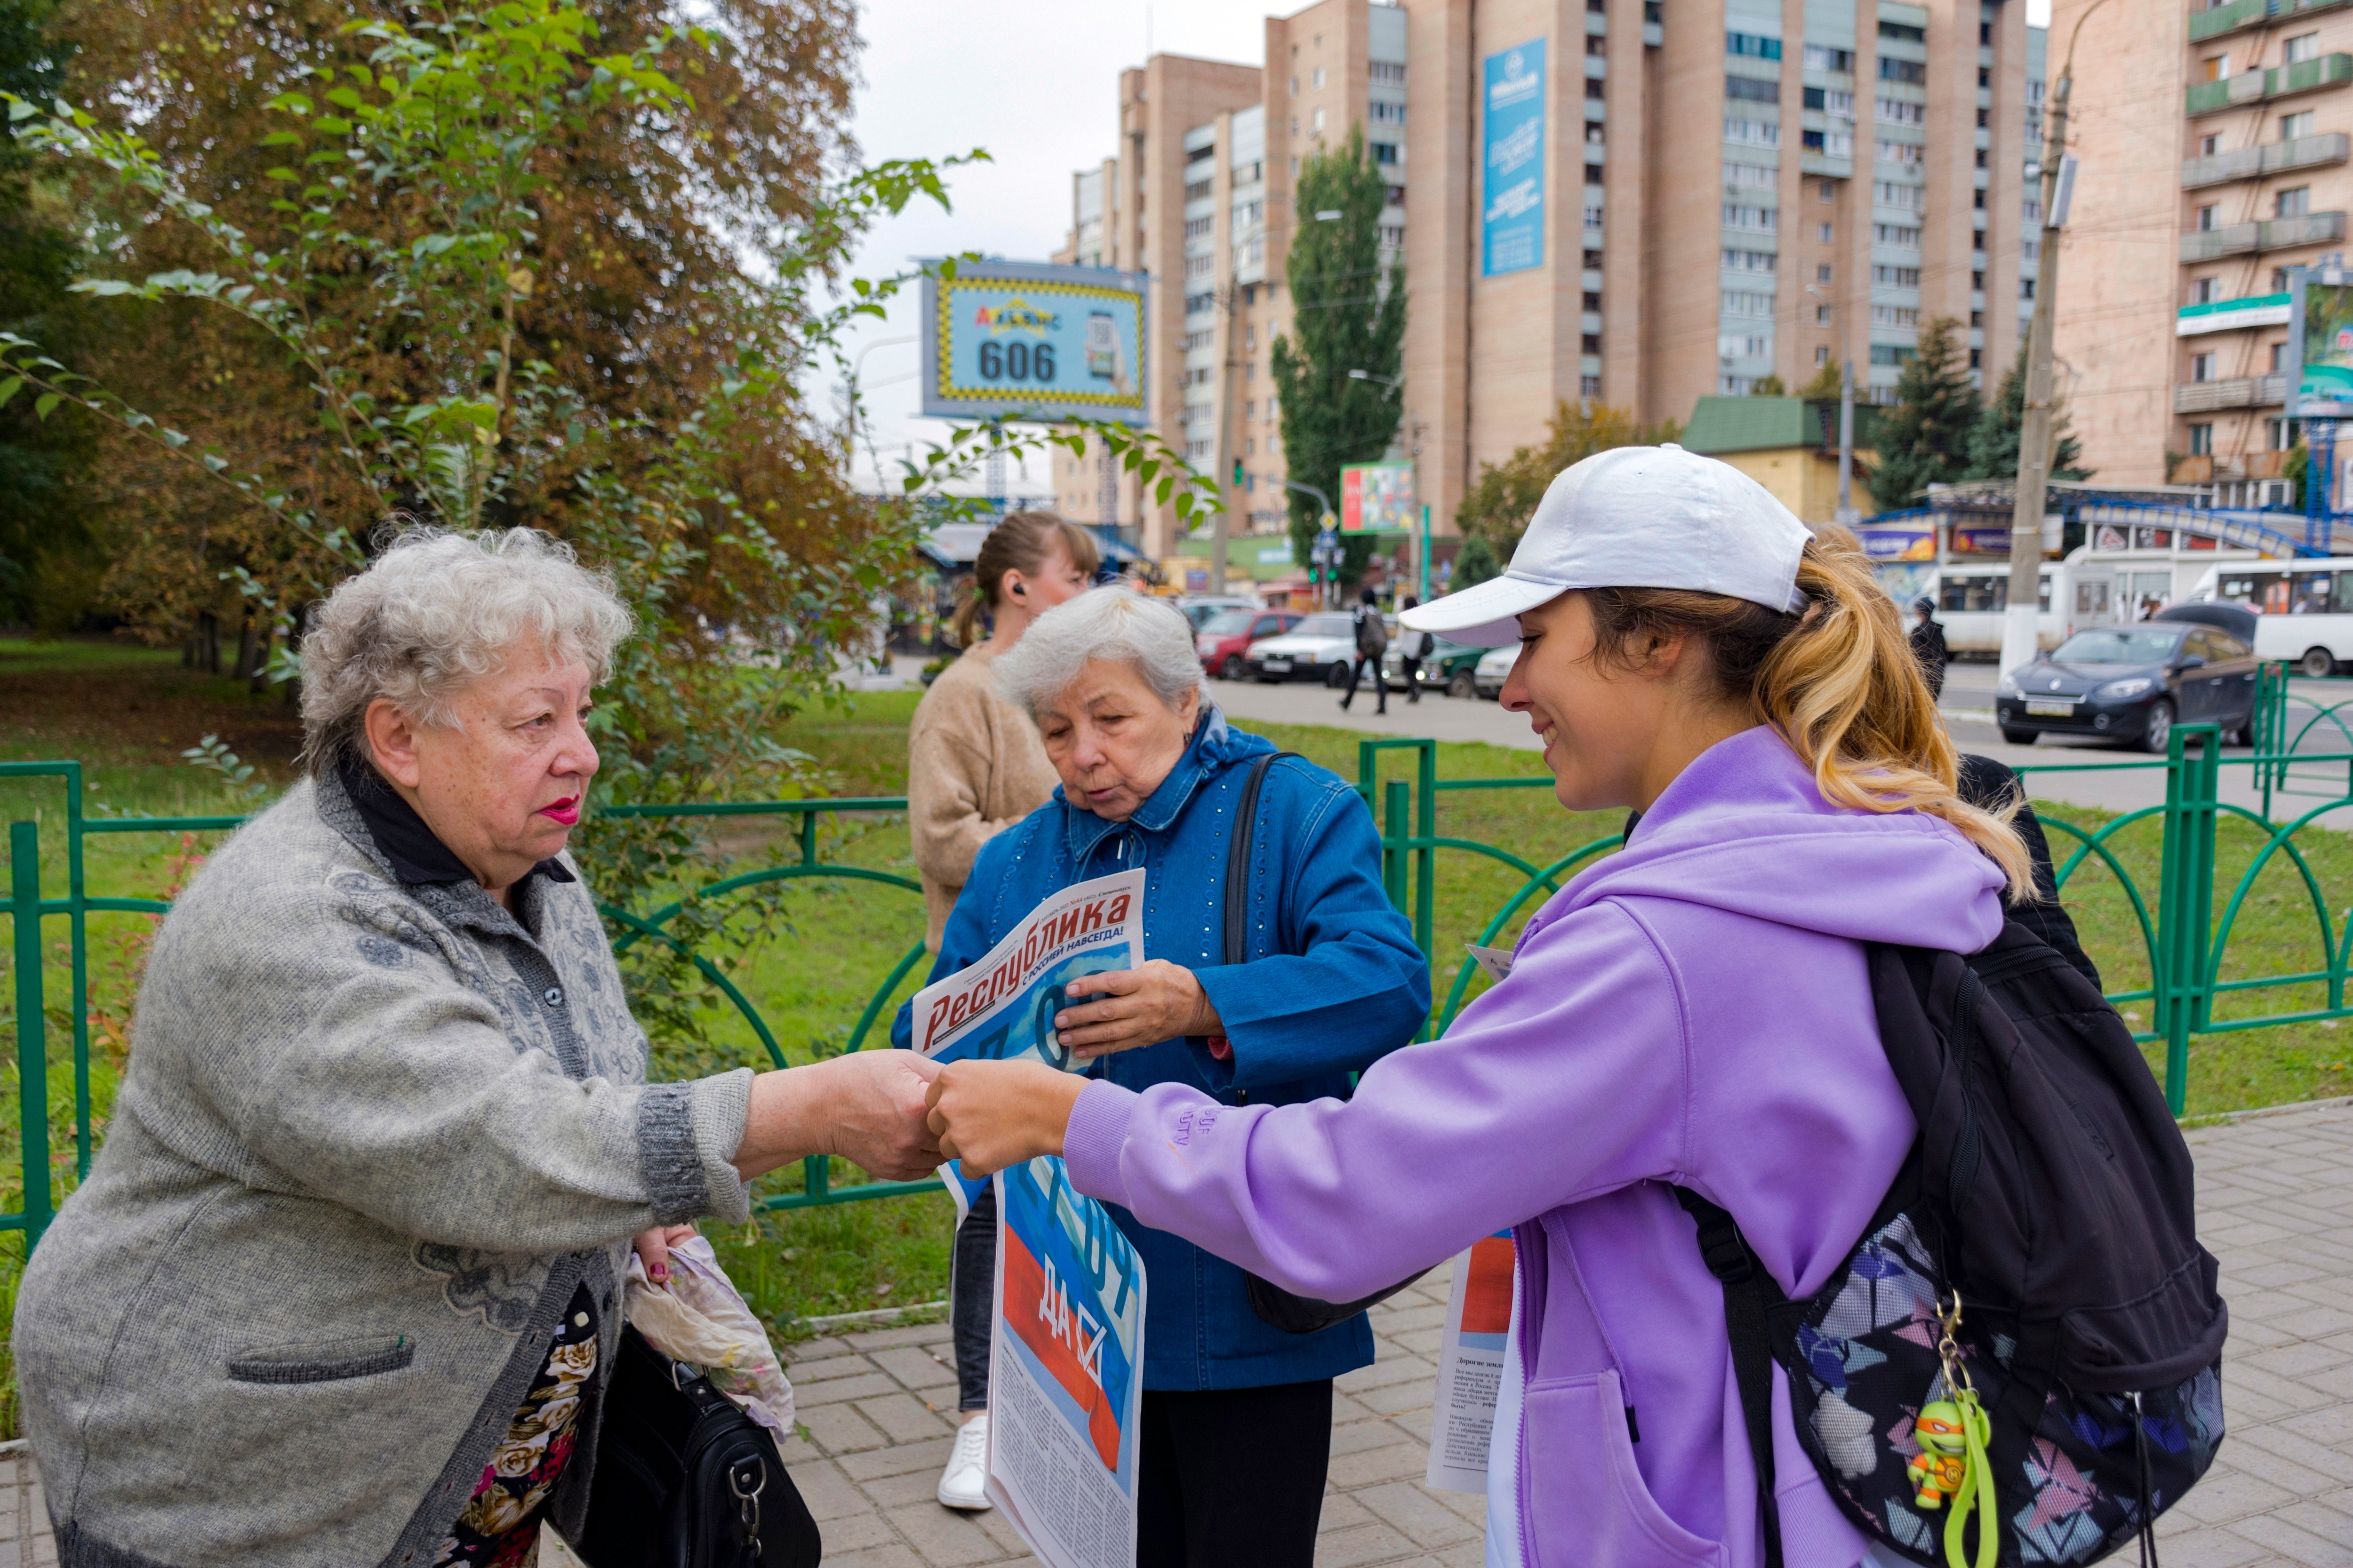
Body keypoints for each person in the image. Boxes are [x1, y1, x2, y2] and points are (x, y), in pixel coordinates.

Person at [921, 446, 2041, 1568]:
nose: (1508, 689)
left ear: (1655, 643)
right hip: (1845, 1464)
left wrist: (1073, 1116)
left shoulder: (1658, 946)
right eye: (1058, 731)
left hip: (1725, 1494)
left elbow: (1355, 1184)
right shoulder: (1865, 851)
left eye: (1531, 641)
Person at [11, 529, 943, 1568]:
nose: (582, 751)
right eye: (534, 719)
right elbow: (495, 1148)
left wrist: (627, 1202)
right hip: (257, 1499)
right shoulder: (289, 921)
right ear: (399, 738)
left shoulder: (524, 863)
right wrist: (806, 1111)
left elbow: (593, 1069)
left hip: (455, 1480)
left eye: (581, 711)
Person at [893, 587, 1429, 1567]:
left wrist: (1207, 1004)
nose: (1081, 755)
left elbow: (1389, 984)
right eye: (1055, 731)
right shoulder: (1018, 857)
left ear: (1185, 703)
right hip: (1078, 1305)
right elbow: (935, 1029)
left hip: (1242, 1296)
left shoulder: (1294, 810)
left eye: (1111, 719)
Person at [904, 509, 1098, 1509]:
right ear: (1019, 586)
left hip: (1092, 996)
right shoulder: (964, 693)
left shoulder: (1075, 687)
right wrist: (1060, 836)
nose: (1090, 590)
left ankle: (1068, 1388)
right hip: (996, 988)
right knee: (994, 1187)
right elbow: (942, 840)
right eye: (1076, 575)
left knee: (1083, 1192)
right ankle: (980, 1416)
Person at [1339, 583, 1390, 713]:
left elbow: (1358, 631)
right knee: (1379, 676)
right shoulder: (1378, 611)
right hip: (1378, 648)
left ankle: (1347, 701)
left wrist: (1359, 650)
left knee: (1356, 675)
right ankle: (1383, 704)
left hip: (1365, 648)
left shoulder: (1361, 611)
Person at [1909, 592, 1950, 699]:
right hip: (1938, 677)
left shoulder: (1918, 632)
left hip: (1921, 678)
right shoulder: (1939, 631)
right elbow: (1945, 656)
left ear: (1920, 612)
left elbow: (1912, 656)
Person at [1396, 594, 1431, 703]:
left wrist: (1397, 647)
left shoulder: (1407, 617)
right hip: (1419, 650)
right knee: (1414, 672)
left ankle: (1414, 690)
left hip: (1409, 650)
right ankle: (1414, 691)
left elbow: (1401, 635)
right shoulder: (1420, 617)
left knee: (1407, 671)